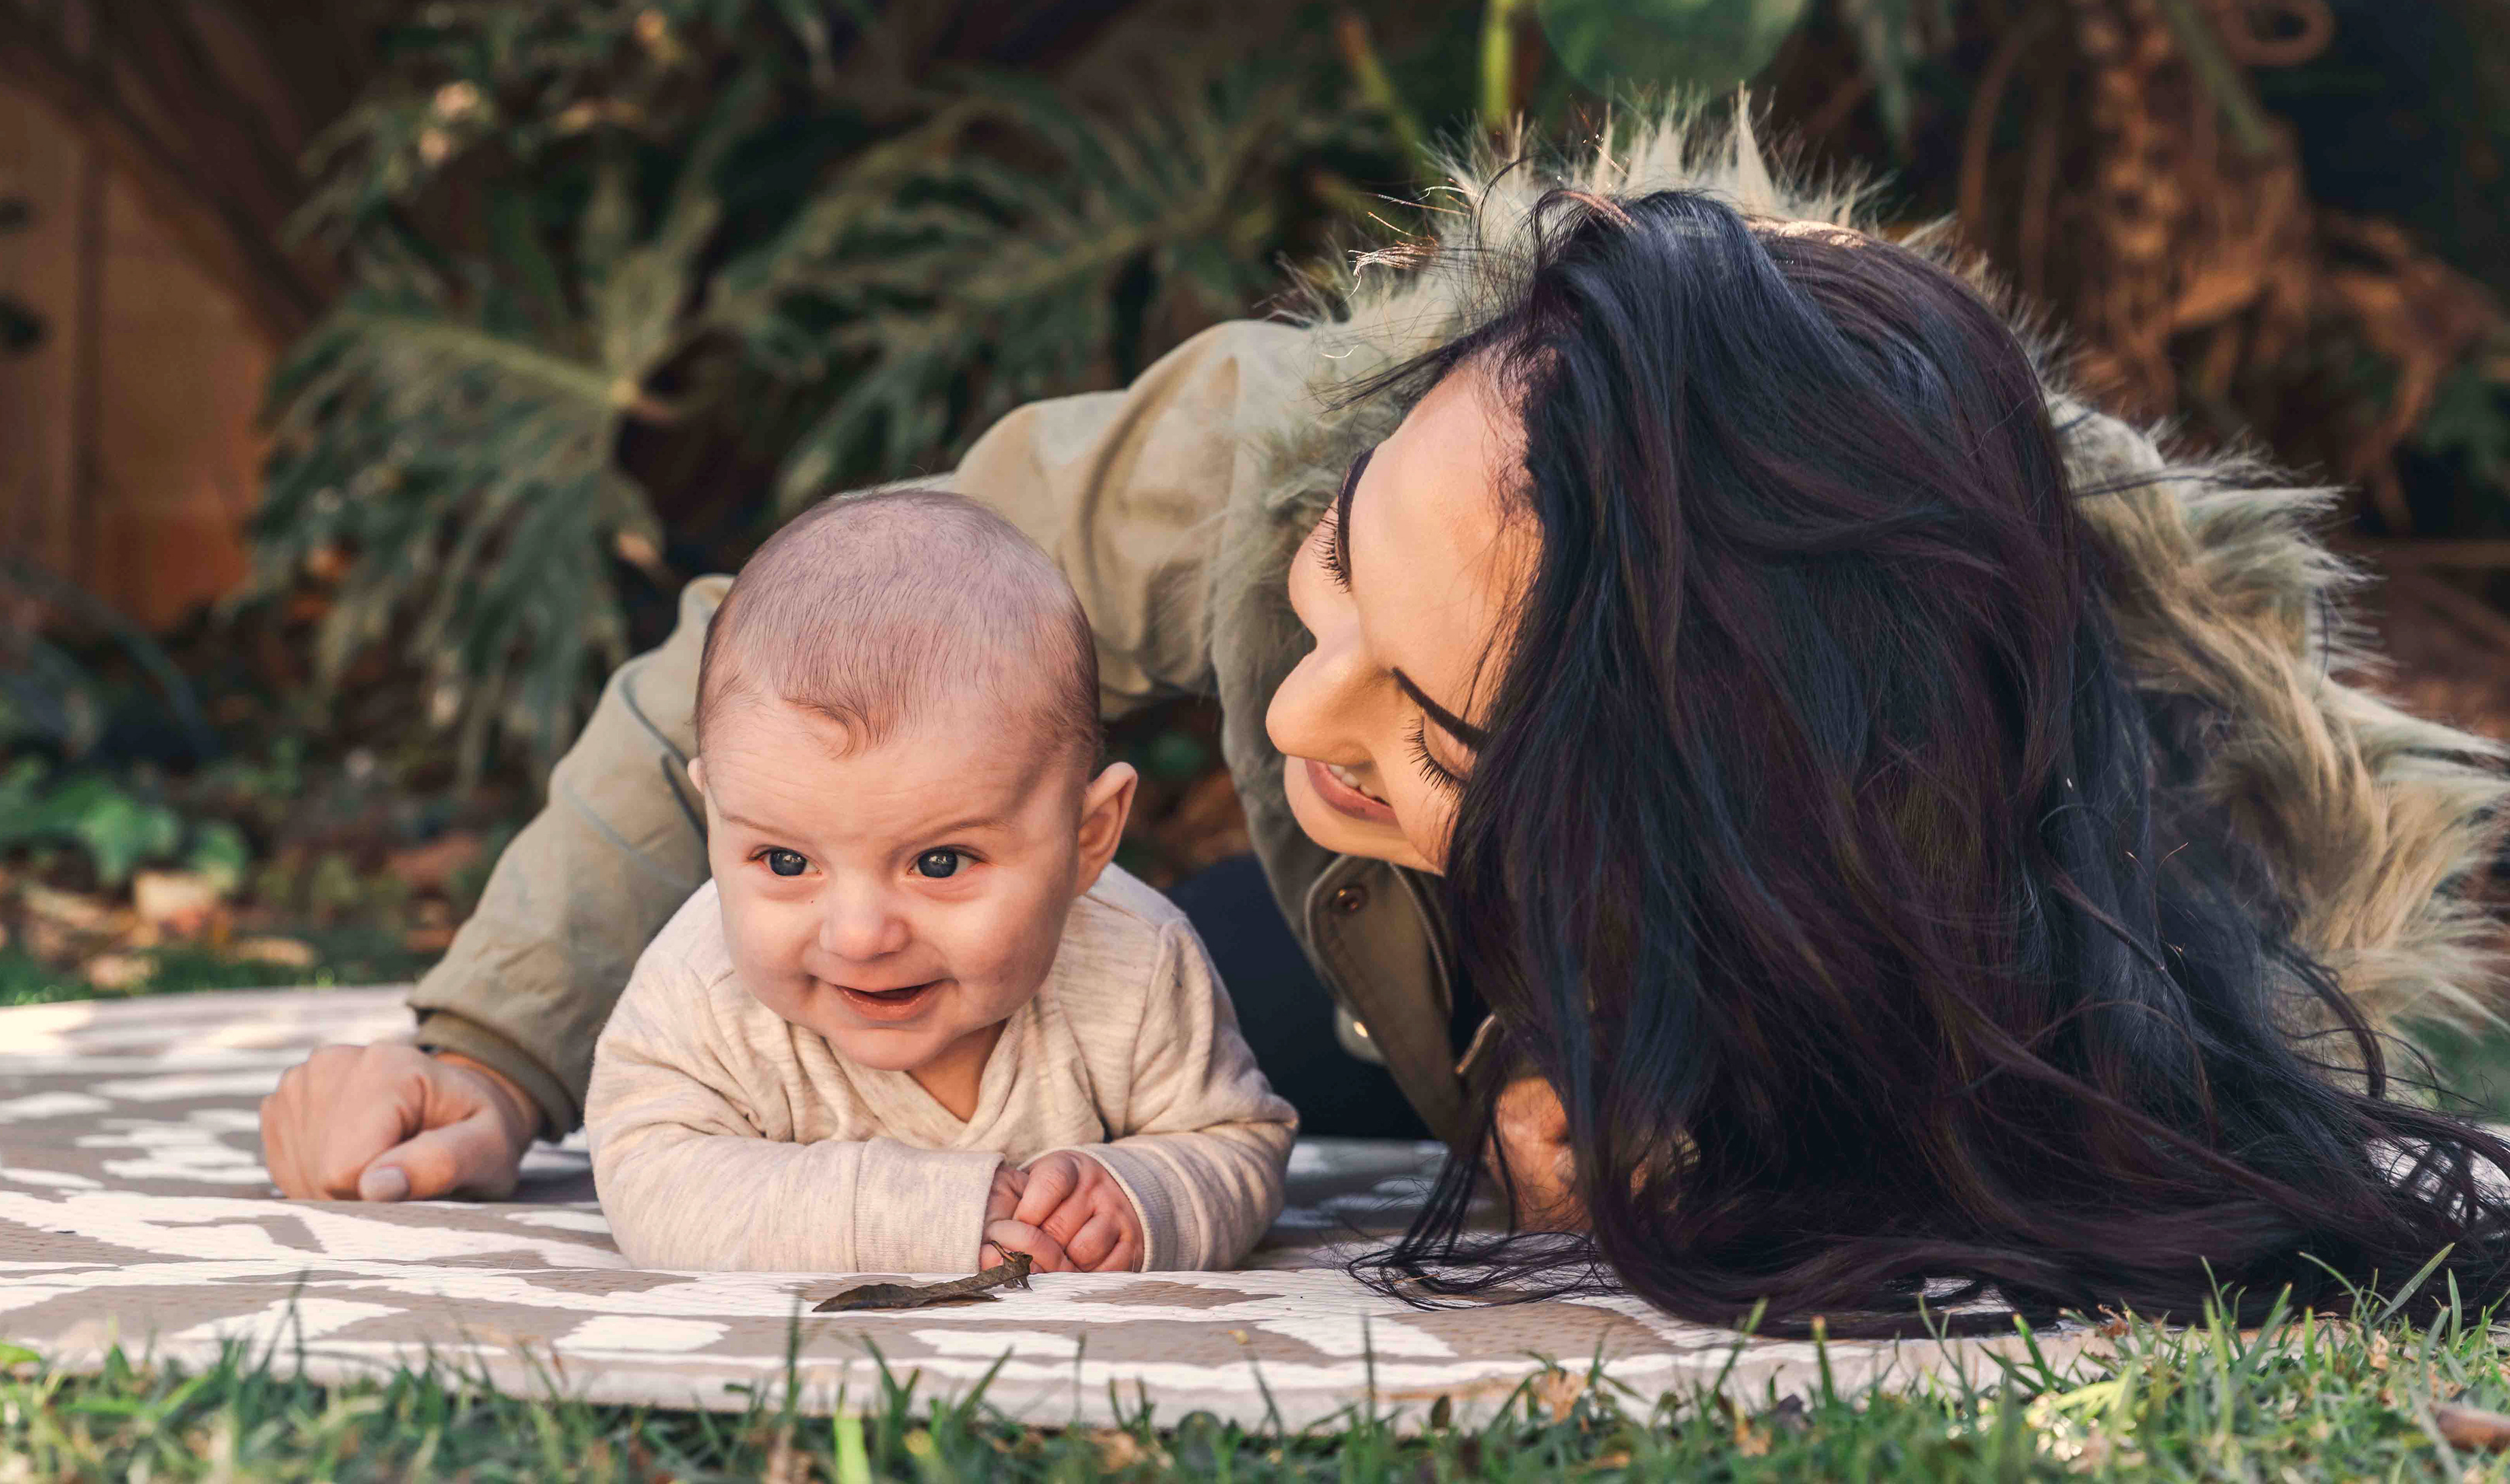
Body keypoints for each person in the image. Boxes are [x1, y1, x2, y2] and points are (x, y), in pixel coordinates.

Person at [263, 114, 2510, 1326]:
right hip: (1328, 953)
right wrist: (492, 1044)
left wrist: (1679, 1117)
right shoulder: (1280, 451)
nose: (1308, 703)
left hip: (1648, 952)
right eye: (1338, 581)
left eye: (1433, 721)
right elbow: (778, 669)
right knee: (1141, 992)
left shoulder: (2029, 886)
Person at [585, 489, 1294, 1274]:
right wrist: (914, 1216)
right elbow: (648, 1177)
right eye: (785, 862)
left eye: (940, 862)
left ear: (1087, 838)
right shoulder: (702, 986)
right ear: (715, 816)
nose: (859, 935)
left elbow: (1238, 1141)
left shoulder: (1137, 961)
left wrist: (1143, 1193)